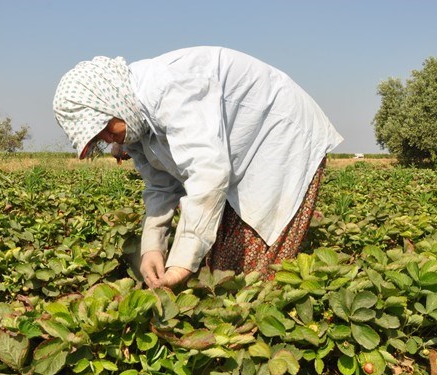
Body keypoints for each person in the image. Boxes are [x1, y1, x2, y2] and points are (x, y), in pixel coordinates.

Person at [53, 46, 342, 289]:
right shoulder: (133, 120)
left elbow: (208, 173)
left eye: (103, 128)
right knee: (221, 262)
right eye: (98, 138)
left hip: (281, 140)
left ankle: (259, 330)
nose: (107, 139)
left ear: (109, 102)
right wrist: (152, 247)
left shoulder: (168, 88)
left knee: (250, 269)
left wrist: (181, 261)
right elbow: (160, 185)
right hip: (236, 155)